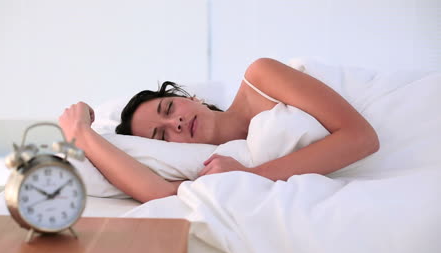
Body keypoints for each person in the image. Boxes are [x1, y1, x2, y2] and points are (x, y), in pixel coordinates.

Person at [59, 58, 379, 203]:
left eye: (169, 109)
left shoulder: (261, 77)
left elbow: (362, 137)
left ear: (190, 98)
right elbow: (160, 193)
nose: (176, 124)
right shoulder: (213, 164)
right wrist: (84, 135)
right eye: (162, 136)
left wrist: (250, 175)